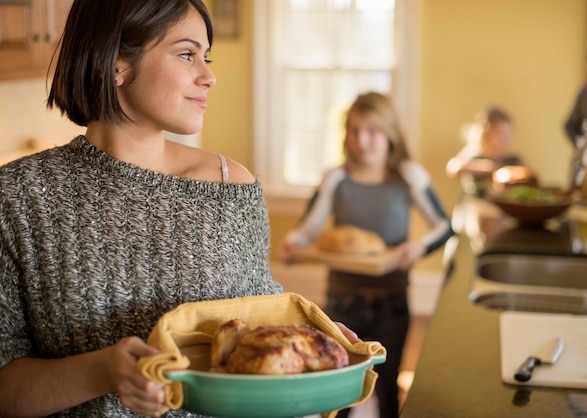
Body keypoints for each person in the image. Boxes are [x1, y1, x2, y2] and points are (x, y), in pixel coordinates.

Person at [0, 1, 289, 417]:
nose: (209, 76)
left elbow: (259, 322)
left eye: (205, 57)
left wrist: (316, 335)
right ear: (117, 62)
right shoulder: (18, 199)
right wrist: (102, 371)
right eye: (187, 54)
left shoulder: (232, 188)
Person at [279, 92, 454, 418]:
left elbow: (445, 226)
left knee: (388, 386)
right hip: (344, 302)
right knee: (341, 386)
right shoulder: (337, 178)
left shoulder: (407, 175)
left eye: (372, 131)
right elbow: (307, 230)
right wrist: (293, 242)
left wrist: (420, 247)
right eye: (355, 130)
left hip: (393, 301)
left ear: (389, 133)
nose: (362, 141)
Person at [446, 106, 532, 196]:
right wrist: (490, 168)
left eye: (508, 136)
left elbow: (530, 175)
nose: (504, 140)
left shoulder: (512, 160)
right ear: (485, 134)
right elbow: (454, 168)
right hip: (474, 206)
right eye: (499, 134)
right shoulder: (472, 155)